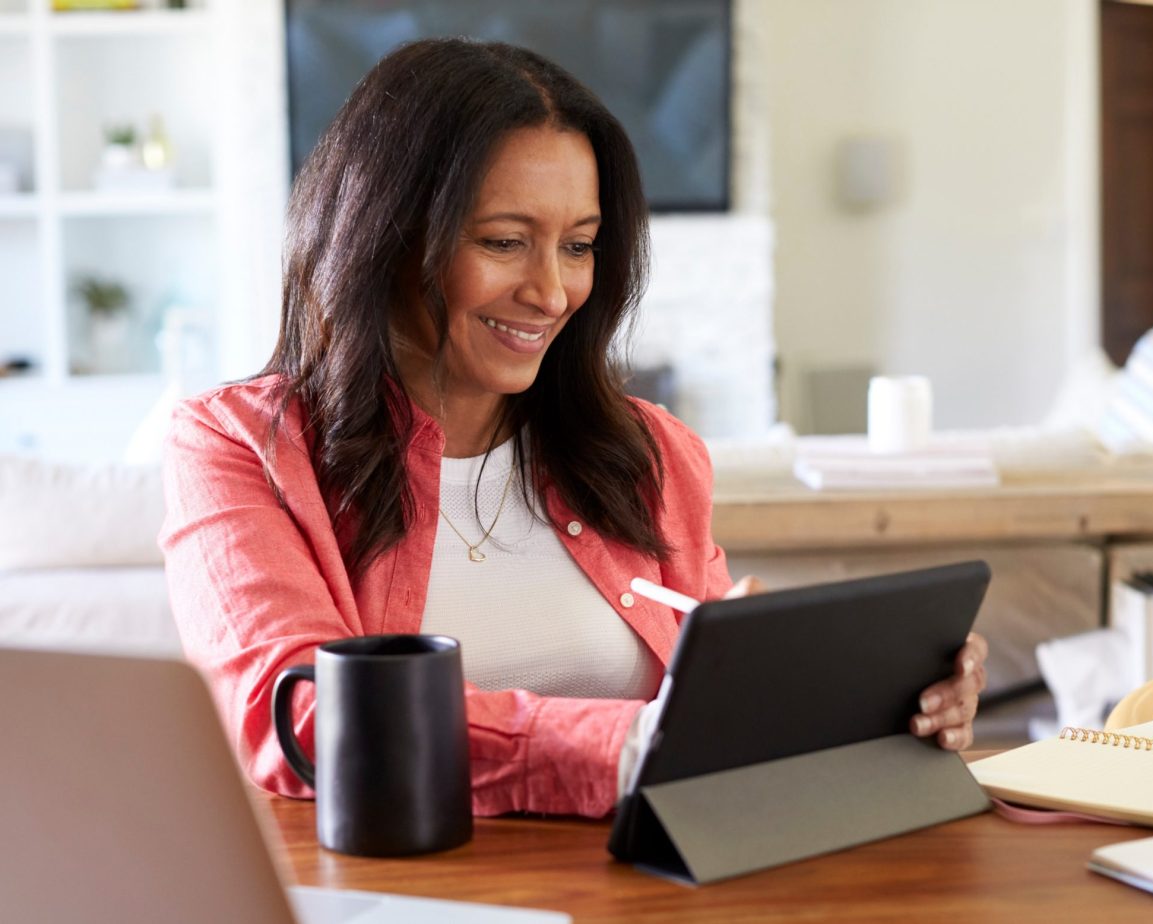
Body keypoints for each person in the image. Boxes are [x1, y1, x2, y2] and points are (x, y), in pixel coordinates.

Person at [160, 38, 989, 819]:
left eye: (581, 246)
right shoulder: (238, 449)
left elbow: (714, 727)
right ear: (383, 235)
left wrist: (882, 700)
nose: (553, 293)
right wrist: (623, 749)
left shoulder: (651, 453)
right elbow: (299, 718)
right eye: (504, 242)